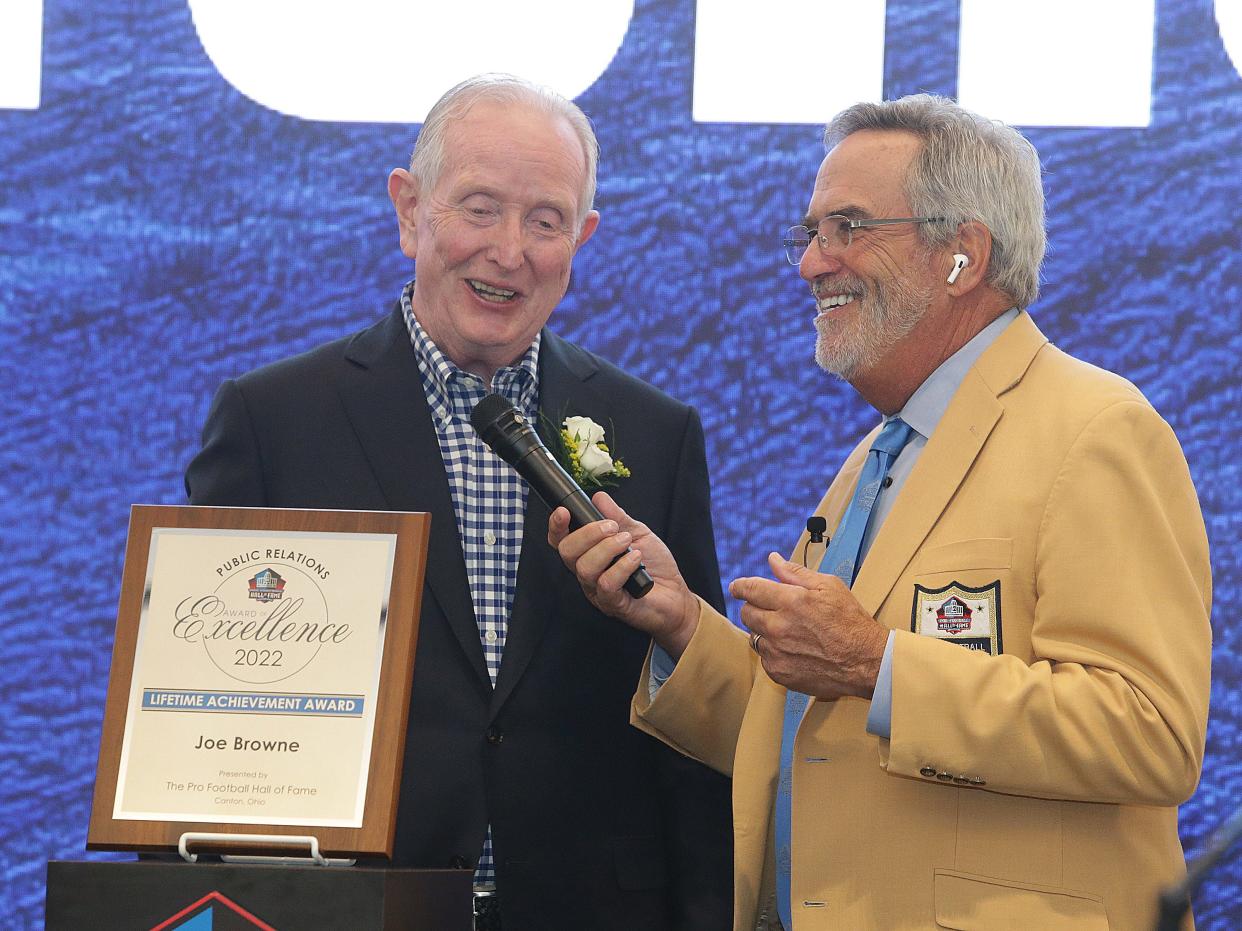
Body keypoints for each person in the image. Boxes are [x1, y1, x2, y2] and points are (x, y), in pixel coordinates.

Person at [551, 94, 1212, 930]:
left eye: (849, 228)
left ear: (962, 255)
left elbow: (1150, 731)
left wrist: (879, 664)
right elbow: (811, 736)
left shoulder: (1096, 431)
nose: (811, 264)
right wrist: (681, 622)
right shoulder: (875, 458)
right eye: (811, 233)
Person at [185, 74, 733, 930]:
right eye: (479, 208)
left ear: (581, 239)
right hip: (347, 906)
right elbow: (200, 699)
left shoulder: (655, 433)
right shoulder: (273, 422)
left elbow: (695, 725)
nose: (509, 250)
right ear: (410, 211)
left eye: (545, 220)